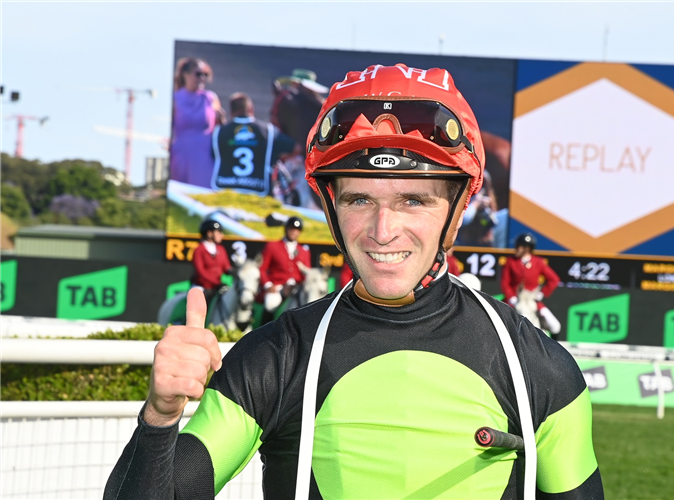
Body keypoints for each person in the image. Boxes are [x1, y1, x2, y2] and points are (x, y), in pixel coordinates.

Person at [105, 64, 603, 500]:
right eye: (359, 200)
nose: (383, 231)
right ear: (331, 206)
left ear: (456, 211)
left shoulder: (541, 369)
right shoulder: (275, 357)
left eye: (414, 200)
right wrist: (161, 416)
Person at [211, 92, 297, 198]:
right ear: (251, 109)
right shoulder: (268, 130)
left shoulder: (219, 132)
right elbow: (297, 147)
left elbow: (214, 154)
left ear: (231, 112)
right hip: (258, 194)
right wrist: (274, 157)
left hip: (226, 192)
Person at [170, 57, 225, 188]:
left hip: (205, 156)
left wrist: (221, 119)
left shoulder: (210, 98)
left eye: (205, 75)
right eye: (198, 74)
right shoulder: (175, 98)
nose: (202, 78)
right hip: (181, 155)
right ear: (186, 74)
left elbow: (219, 127)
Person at [501, 233, 562, 337]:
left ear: (527, 248)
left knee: (555, 325)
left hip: (532, 301)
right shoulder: (510, 262)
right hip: (514, 301)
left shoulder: (539, 262)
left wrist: (542, 293)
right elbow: (504, 282)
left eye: (518, 247)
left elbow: (554, 279)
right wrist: (511, 298)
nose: (516, 249)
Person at [257, 216, 311, 322]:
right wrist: (268, 285)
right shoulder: (272, 246)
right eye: (291, 228)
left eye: (296, 230)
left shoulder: (304, 251)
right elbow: (262, 269)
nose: (293, 232)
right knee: (270, 303)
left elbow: (306, 274)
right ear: (286, 229)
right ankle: (266, 332)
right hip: (277, 288)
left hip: (297, 288)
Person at [191, 219, 232, 312]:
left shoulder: (221, 249)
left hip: (217, 286)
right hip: (202, 286)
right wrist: (217, 283)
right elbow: (201, 272)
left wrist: (234, 271)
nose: (222, 235)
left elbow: (226, 267)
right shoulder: (199, 250)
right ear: (209, 233)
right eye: (219, 232)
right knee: (196, 304)